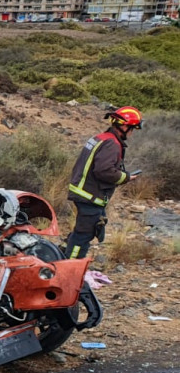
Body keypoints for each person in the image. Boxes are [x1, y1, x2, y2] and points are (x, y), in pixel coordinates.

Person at [63, 106, 142, 259]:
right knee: (83, 235)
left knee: (82, 231)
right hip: (89, 196)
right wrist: (125, 177)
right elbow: (103, 171)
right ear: (124, 126)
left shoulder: (100, 137)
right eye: (133, 128)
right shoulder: (112, 144)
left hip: (84, 192)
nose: (132, 133)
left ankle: (63, 256)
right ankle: (70, 271)